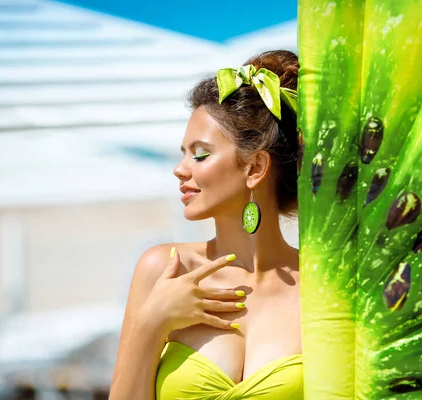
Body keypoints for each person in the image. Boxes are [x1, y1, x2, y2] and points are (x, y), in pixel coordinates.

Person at [109, 50, 302, 400]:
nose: (180, 169)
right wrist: (153, 322)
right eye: (183, 153)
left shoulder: (321, 286)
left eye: (199, 154)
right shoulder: (164, 269)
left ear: (255, 167)